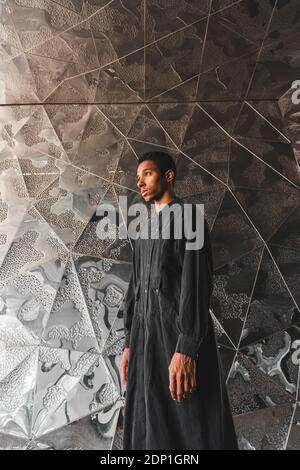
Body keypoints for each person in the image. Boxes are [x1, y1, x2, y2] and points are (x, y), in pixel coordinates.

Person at [120, 150, 238, 450]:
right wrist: (128, 343)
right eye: (138, 178)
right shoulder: (144, 233)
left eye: (146, 173)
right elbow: (135, 289)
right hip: (146, 344)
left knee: (190, 424)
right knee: (149, 426)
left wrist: (186, 348)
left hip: (176, 341)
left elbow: (196, 285)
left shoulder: (189, 220)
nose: (140, 183)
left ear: (168, 175)